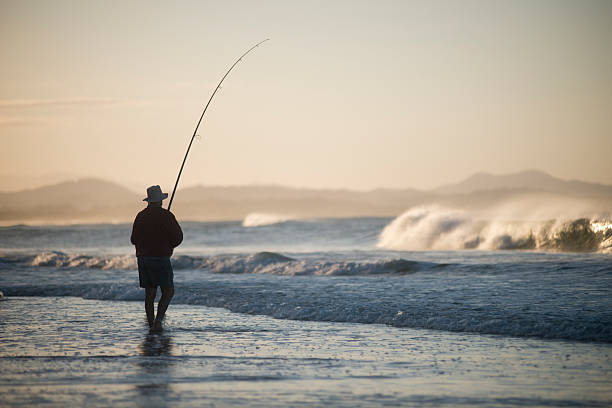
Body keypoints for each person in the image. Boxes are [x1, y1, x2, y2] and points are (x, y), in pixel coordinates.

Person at [131, 185, 183, 332]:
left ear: (149, 201)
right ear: (160, 200)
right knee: (168, 291)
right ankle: (158, 321)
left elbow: (133, 239)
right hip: (161, 258)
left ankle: (150, 323)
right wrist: (170, 246)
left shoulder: (140, 216)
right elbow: (178, 238)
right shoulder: (166, 215)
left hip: (143, 259)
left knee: (150, 292)